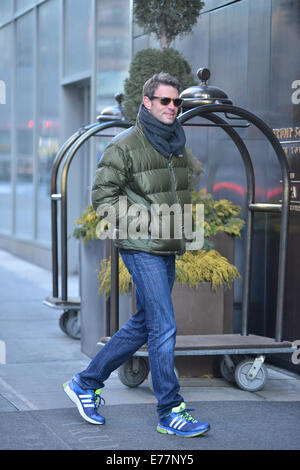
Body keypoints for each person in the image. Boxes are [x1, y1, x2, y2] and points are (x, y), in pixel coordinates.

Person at [63, 72, 210, 438]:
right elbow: (103, 198)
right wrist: (144, 223)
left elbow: (179, 192)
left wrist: (186, 233)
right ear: (147, 102)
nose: (173, 107)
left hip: (167, 245)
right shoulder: (124, 145)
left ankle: (86, 382)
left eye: (177, 102)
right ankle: (169, 410)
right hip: (140, 245)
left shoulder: (176, 143)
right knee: (163, 325)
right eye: (165, 101)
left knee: (145, 322)